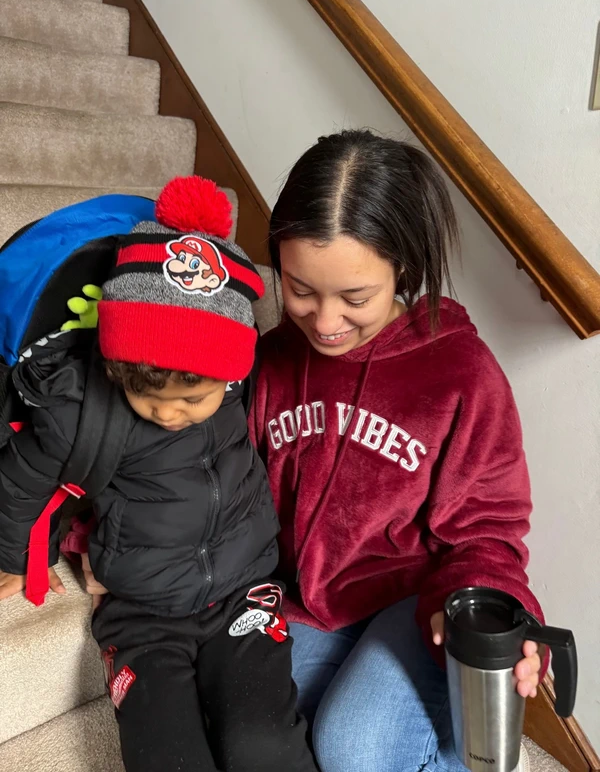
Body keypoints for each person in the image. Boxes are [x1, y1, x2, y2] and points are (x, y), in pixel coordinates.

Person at [249, 130, 544, 772]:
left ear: (402, 270)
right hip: (305, 603)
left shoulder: (462, 373)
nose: (325, 321)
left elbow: (488, 531)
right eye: (300, 289)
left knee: (353, 751)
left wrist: (485, 602)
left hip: (417, 606)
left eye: (355, 298)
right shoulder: (268, 362)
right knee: (248, 723)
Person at [0, 178, 317, 772]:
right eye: (148, 398)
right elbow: (19, 481)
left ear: (229, 374)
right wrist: (17, 557)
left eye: (191, 400)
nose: (170, 414)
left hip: (245, 591)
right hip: (141, 611)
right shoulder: (78, 409)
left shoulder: (241, 382)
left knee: (264, 744)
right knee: (166, 756)